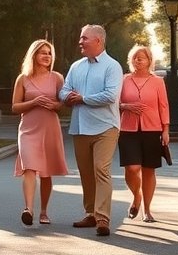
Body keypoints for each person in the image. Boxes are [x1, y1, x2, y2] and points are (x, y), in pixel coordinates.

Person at [60, 24, 123, 236]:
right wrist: (67, 97)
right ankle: (90, 213)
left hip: (106, 127)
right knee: (86, 173)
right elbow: (64, 91)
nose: (80, 42)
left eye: (84, 38)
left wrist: (83, 99)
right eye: (81, 38)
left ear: (98, 40)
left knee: (100, 169)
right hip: (80, 127)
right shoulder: (76, 66)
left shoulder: (112, 66)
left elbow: (110, 96)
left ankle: (102, 218)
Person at [11, 39, 68, 227]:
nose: (47, 56)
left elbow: (63, 103)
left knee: (45, 172)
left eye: (49, 53)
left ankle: (43, 211)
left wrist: (55, 105)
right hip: (28, 129)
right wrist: (33, 102)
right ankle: (28, 209)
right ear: (34, 55)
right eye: (43, 52)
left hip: (50, 128)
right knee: (29, 167)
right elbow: (15, 106)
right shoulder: (23, 78)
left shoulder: (57, 78)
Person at [118, 44, 170, 223]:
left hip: (152, 129)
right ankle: (136, 196)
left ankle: (147, 210)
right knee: (131, 168)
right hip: (127, 129)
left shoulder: (158, 82)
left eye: (142, 57)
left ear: (149, 61)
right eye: (135, 57)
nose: (138, 60)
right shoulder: (123, 80)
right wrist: (126, 106)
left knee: (149, 170)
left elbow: (164, 106)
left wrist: (165, 129)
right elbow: (114, 103)